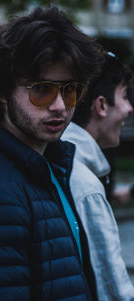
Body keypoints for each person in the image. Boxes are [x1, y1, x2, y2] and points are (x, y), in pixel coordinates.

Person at [0, 6, 104, 301]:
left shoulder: (46, 165)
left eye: (70, 90)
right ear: (2, 92)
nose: (59, 106)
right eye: (41, 89)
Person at [62, 52, 134, 301]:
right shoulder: (84, 184)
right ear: (101, 105)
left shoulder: (57, 160)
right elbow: (112, 289)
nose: (129, 108)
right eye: (124, 97)